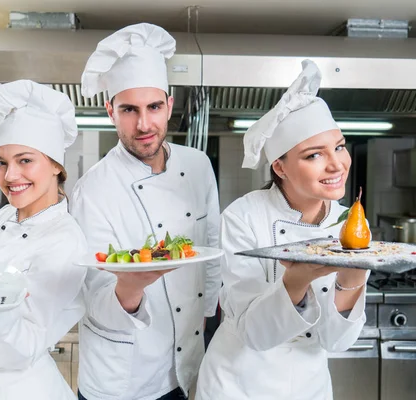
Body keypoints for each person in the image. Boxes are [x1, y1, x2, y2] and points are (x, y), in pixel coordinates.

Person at [195, 60, 369, 400]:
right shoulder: (242, 217)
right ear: (280, 167)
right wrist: (296, 280)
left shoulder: (350, 221)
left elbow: (337, 341)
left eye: (339, 146)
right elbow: (255, 335)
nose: (337, 164)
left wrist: (353, 278)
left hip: (309, 385)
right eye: (314, 155)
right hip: (237, 384)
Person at [70, 23, 221, 400]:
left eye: (154, 107)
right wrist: (132, 286)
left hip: (188, 362)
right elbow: (92, 300)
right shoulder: (93, 189)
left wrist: (210, 312)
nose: (144, 124)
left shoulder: (198, 165)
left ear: (170, 105)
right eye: (129, 110)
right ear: (110, 110)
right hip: (124, 377)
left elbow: (212, 245)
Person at [0, 79, 88, 399]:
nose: (10, 176)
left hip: (13, 388)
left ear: (55, 165)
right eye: (1, 163)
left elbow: (20, 345)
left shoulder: (65, 240)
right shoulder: (7, 215)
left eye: (25, 160)